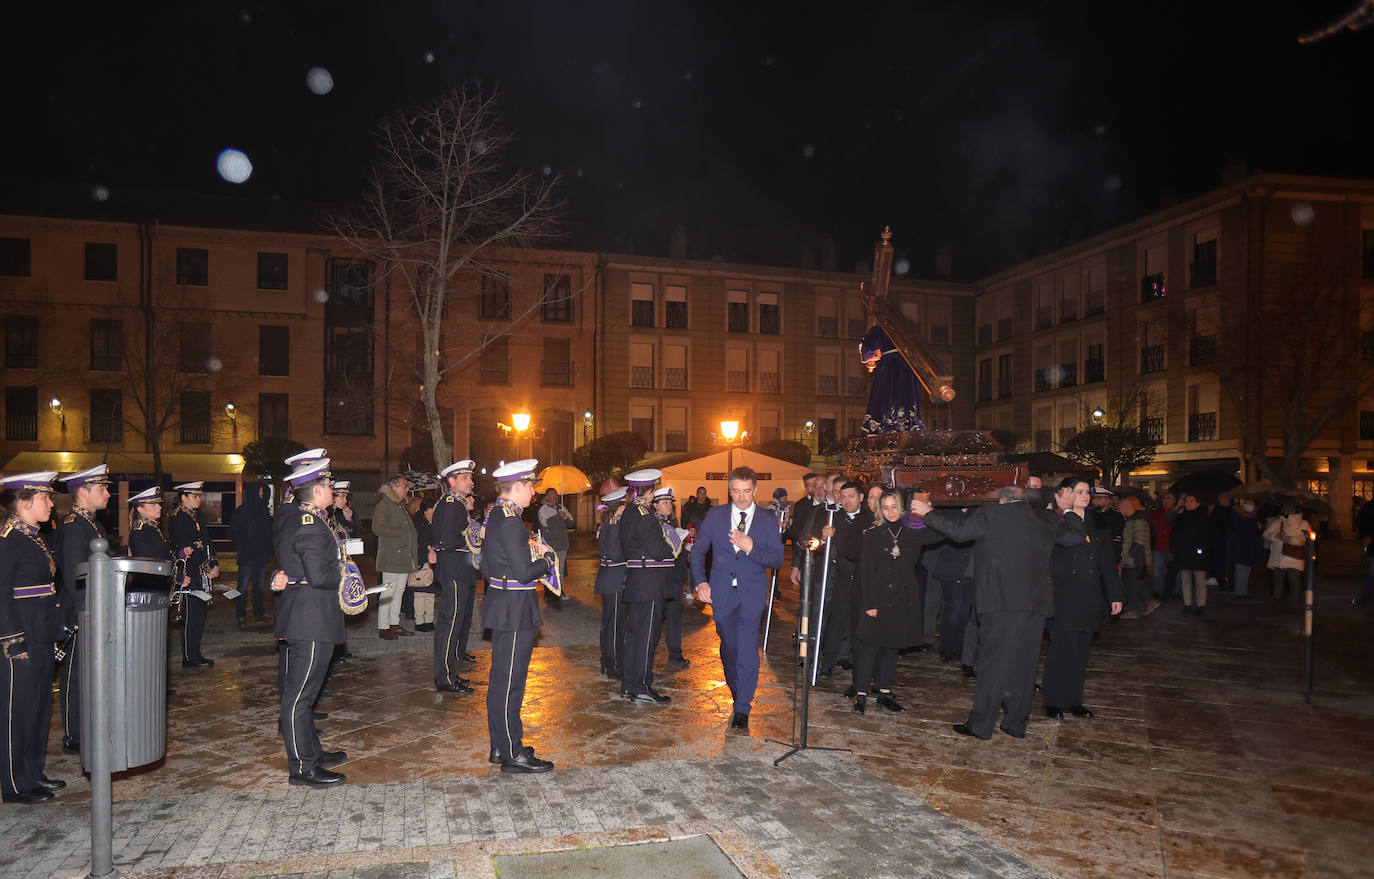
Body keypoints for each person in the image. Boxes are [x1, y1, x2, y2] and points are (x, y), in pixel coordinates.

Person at [917, 485, 1080, 740]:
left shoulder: (992, 514)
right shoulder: (1046, 518)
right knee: (1024, 667)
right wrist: (1069, 509)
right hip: (1036, 606)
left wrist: (927, 512)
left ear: (1002, 501)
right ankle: (1015, 724)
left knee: (993, 665)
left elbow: (959, 533)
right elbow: (1073, 538)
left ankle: (981, 726)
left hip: (1001, 603)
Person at [272, 457, 349, 788]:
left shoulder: (309, 520)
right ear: (317, 491)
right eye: (329, 486)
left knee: (305, 694)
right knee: (299, 697)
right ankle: (302, 766)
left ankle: (311, 752)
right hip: (310, 618)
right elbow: (319, 575)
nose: (333, 490)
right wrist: (345, 571)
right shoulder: (309, 524)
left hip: (311, 616)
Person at [692, 466, 784, 732]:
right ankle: (737, 688)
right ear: (730, 490)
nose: (742, 497)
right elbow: (698, 552)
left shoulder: (767, 520)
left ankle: (743, 706)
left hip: (751, 596)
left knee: (747, 650)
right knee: (729, 648)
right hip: (721, 595)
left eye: (746, 491)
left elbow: (777, 558)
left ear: (755, 490)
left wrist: (752, 548)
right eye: (736, 491)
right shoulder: (716, 515)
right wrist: (700, 581)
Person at [482, 459, 558, 773]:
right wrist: (548, 561)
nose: (534, 493)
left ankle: (501, 745)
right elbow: (525, 572)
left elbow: (485, 565)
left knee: (502, 680)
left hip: (503, 603)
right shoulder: (511, 522)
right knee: (510, 683)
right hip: (515, 609)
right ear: (518, 487)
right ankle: (513, 752)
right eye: (531, 486)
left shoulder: (496, 516)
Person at [0, 471, 65, 804]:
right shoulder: (8, 539)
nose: (51, 504)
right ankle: (14, 784)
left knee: (40, 706)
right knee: (17, 710)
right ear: (23, 503)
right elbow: (1, 595)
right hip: (20, 640)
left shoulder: (35, 537)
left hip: (40, 634)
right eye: (45, 498)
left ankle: (33, 772)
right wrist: (13, 641)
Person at [852, 489, 944, 714]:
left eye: (894, 507)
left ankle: (885, 692)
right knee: (870, 647)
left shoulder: (912, 532)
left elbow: (944, 533)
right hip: (878, 596)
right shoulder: (873, 534)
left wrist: (929, 512)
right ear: (879, 510)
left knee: (891, 647)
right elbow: (866, 571)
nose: (891, 512)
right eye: (886, 508)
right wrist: (870, 603)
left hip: (903, 597)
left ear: (902, 507)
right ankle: (861, 693)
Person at [1043, 478, 1124, 720]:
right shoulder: (1054, 521)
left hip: (1089, 595)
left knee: (1080, 652)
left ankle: (1073, 701)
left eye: (1088, 492)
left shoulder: (1098, 523)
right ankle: (1053, 701)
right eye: (1079, 492)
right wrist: (1065, 511)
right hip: (1063, 595)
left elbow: (1107, 563)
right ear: (1065, 494)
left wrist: (1115, 594)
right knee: (1062, 650)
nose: (1086, 496)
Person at [54, 464, 111, 755]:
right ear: (83, 492)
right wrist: (86, 614)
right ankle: (73, 733)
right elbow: (74, 577)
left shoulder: (94, 525)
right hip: (81, 612)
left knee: (93, 673)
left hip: (97, 610)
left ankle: (90, 723)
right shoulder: (74, 527)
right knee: (75, 675)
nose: (108, 494)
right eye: (102, 489)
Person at [618, 470, 679, 704]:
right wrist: (673, 543)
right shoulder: (644, 516)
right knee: (646, 637)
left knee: (635, 636)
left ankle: (629, 685)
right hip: (650, 582)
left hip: (637, 580)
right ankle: (642, 686)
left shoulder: (630, 512)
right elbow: (659, 549)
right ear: (650, 492)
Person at [432, 460, 477, 694]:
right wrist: (475, 535)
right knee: (450, 625)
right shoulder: (452, 505)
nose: (471, 481)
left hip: (458, 569)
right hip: (454, 569)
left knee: (454, 623)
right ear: (452, 481)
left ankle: (448, 673)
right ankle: (445, 679)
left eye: (470, 477)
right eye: (465, 478)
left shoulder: (456, 504)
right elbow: (449, 542)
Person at [816, 481, 866, 677]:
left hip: (864, 578)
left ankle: (861, 668)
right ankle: (827, 665)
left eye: (851, 496)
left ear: (861, 497)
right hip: (843, 577)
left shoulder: (869, 519)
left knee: (860, 624)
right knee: (837, 621)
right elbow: (817, 547)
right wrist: (823, 538)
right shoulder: (833, 518)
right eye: (842, 497)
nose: (846, 501)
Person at [169, 482, 220, 668]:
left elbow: (207, 542)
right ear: (183, 498)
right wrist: (198, 569)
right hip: (190, 573)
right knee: (190, 618)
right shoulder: (177, 518)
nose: (199, 499)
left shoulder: (197, 516)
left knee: (199, 616)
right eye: (194, 496)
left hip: (201, 574)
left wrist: (213, 564)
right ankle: (189, 658)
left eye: (199, 495)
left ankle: (196, 655)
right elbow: (183, 548)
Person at [371, 475, 416, 640]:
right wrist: (400, 533)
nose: (407, 489)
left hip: (403, 556)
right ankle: (383, 627)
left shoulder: (400, 505)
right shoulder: (385, 504)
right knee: (387, 592)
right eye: (405, 486)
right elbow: (377, 528)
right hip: (391, 556)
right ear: (394, 487)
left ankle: (394, 624)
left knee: (399, 591)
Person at [594, 488, 629, 680]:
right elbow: (616, 554)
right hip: (616, 578)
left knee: (608, 624)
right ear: (620, 507)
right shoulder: (615, 526)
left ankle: (607, 662)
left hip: (609, 578)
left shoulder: (607, 524)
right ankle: (614, 665)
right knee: (615, 625)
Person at [653, 487, 690, 667]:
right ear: (656, 505)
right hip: (660, 577)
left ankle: (675, 653)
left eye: (670, 502)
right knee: (656, 618)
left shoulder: (672, 523)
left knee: (674, 616)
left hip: (676, 576)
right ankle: (646, 653)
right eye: (665, 502)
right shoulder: (652, 525)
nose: (669, 506)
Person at [228, 483, 273, 627]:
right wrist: (246, 537)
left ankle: (259, 613)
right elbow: (232, 533)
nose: (262, 494)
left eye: (262, 491)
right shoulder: (241, 511)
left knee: (259, 587)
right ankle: (240, 616)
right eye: (259, 491)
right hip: (247, 556)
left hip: (260, 556)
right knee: (242, 588)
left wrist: (268, 546)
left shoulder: (264, 511)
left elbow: (269, 533)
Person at [1116, 495, 1158, 619]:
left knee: (1131, 584)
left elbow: (1140, 540)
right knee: (1136, 583)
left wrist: (1128, 554)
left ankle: (1133, 610)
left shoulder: (1138, 520)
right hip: (1136, 559)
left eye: (1119, 508)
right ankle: (1150, 601)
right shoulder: (1133, 520)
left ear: (1126, 507)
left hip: (1135, 560)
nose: (1119, 511)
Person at [1170, 494, 1212, 614]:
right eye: (1186, 501)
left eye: (1191, 501)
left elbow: (1208, 536)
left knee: (1200, 581)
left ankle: (1200, 605)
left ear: (1197, 503)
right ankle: (1187, 604)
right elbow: (1174, 534)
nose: (1188, 503)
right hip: (1184, 553)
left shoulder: (1204, 517)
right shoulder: (1180, 517)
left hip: (1199, 554)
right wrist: (1175, 548)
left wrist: (1202, 549)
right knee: (1186, 580)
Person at [1263, 505, 1311, 601]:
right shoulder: (1279, 521)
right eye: (1286, 510)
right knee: (1278, 579)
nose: (1286, 512)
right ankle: (1277, 599)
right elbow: (1266, 534)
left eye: (1289, 510)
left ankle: (1294, 600)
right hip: (1278, 556)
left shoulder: (1303, 523)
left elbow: (1304, 540)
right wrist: (1276, 535)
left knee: (1294, 579)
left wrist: (1289, 539)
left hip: (1294, 557)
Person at [536, 488, 574, 602]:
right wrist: (558, 516)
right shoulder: (543, 509)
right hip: (550, 544)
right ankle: (549, 592)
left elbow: (571, 522)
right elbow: (544, 523)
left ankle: (560, 591)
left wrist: (565, 517)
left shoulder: (561, 508)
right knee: (550, 569)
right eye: (551, 494)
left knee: (560, 570)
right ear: (547, 497)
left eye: (556, 494)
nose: (554, 496)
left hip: (562, 544)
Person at [410, 498, 439, 631]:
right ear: (426, 510)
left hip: (431, 564)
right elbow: (418, 543)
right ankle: (419, 621)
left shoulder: (432, 523)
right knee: (420, 593)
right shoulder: (417, 523)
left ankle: (429, 620)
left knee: (430, 594)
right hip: (420, 562)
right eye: (432, 510)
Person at [1228, 500, 1265, 598]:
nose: (1249, 506)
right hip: (1240, 547)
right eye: (1247, 503)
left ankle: (1243, 591)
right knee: (1240, 571)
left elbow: (1255, 535)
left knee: (1247, 571)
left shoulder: (1254, 519)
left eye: (1251, 504)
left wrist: (1259, 528)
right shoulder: (1238, 517)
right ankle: (1239, 592)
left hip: (1250, 548)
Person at [1150, 492, 1177, 600]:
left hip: (1172, 547)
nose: (1165, 500)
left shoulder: (1178, 513)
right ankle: (1158, 592)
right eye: (1164, 498)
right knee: (1157, 571)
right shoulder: (1156, 513)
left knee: (1175, 572)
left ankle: (1175, 593)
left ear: (1174, 500)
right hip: (1159, 546)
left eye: (1169, 498)